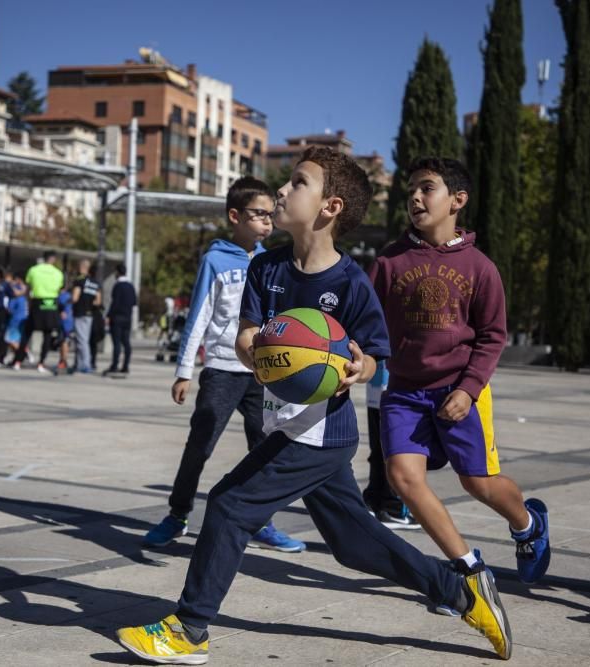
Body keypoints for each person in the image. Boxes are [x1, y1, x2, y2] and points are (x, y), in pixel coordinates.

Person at [116, 147, 511, 664]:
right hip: (290, 421)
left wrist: (357, 366)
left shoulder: (351, 283)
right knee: (354, 544)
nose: (282, 191)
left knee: (231, 505)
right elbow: (246, 336)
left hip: (319, 431)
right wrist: (258, 348)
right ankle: (460, 591)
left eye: (298, 183)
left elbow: (372, 358)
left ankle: (190, 629)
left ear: (329, 207)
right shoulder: (267, 268)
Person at [370, 156, 550, 585]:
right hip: (404, 391)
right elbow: (364, 322)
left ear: (458, 200)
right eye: (411, 188)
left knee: (478, 484)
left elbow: (492, 337)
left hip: (458, 390)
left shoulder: (481, 268)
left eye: (426, 187)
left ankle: (528, 524)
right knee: (402, 477)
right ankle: (467, 567)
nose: (415, 195)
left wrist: (468, 389)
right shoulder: (388, 262)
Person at [141, 176, 305, 553]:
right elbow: (199, 315)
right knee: (200, 446)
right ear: (235, 215)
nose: (266, 221)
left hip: (261, 372)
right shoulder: (214, 260)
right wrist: (184, 371)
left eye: (270, 214)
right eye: (258, 214)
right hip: (220, 368)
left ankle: (261, 522)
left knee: (264, 448)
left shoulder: (270, 262)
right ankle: (177, 515)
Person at [362, 361, 420, 529]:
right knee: (397, 451)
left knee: (380, 448)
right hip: (398, 388)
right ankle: (393, 507)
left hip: (377, 383)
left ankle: (374, 500)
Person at [12, 250, 65, 374]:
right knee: (47, 334)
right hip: (51, 304)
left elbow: (28, 288)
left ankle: (18, 361)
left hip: (37, 302)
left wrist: (29, 303)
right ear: (53, 260)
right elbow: (59, 291)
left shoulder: (33, 270)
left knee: (27, 332)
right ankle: (41, 363)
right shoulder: (58, 273)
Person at [104, 264, 136, 374]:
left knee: (117, 343)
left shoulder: (118, 286)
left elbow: (114, 303)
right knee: (126, 342)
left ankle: (114, 365)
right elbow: (134, 302)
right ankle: (126, 366)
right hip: (127, 318)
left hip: (117, 317)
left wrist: (108, 316)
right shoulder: (130, 286)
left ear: (117, 272)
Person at [71, 259, 102, 373]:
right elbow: (98, 301)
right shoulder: (95, 283)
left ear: (83, 268)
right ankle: (79, 364)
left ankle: (85, 364)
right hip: (90, 314)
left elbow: (75, 298)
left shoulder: (80, 281)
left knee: (81, 340)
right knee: (83, 339)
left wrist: (67, 301)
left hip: (80, 313)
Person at [3, 272, 28, 365]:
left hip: (16, 319)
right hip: (22, 318)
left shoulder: (17, 291)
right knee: (16, 339)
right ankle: (18, 356)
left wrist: (11, 285)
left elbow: (10, 307)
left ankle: (24, 352)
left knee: (8, 339)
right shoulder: (25, 292)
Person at [57, 284, 74, 373]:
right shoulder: (70, 296)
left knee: (64, 341)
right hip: (70, 322)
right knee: (65, 341)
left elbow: (60, 307)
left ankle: (63, 360)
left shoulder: (62, 296)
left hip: (65, 322)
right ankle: (62, 360)